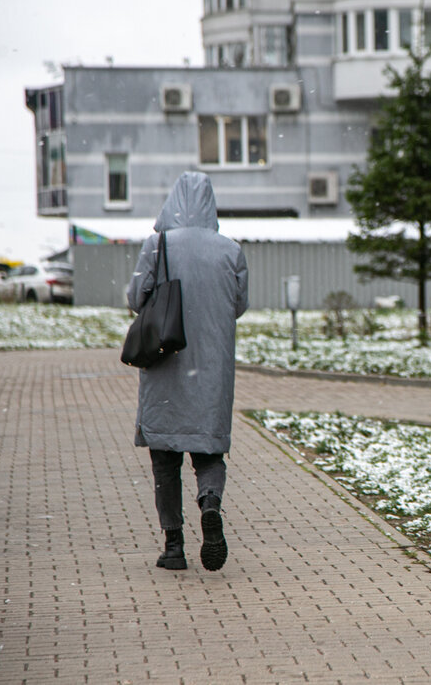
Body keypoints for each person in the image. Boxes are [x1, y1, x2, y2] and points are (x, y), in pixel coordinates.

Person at [126, 172, 249, 571]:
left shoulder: (156, 245)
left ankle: (173, 545)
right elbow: (239, 305)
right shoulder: (230, 250)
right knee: (208, 451)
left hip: (166, 361)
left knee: (165, 458)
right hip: (211, 367)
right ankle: (210, 503)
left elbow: (135, 298)